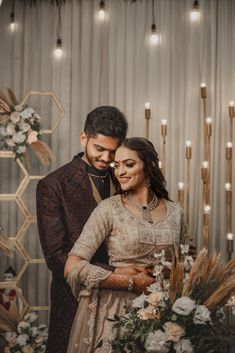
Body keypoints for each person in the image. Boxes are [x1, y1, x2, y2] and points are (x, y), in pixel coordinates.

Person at [64, 137, 189, 353]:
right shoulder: (108, 209)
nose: (120, 171)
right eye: (117, 165)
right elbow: (72, 266)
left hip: (165, 315)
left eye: (129, 164)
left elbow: (185, 267)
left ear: (148, 167)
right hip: (117, 313)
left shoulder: (176, 212)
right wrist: (129, 281)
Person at [36, 106, 130, 353]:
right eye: (99, 149)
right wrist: (119, 274)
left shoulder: (127, 179)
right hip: (74, 300)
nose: (107, 159)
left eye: (113, 151)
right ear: (83, 138)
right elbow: (56, 258)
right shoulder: (53, 185)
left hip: (124, 303)